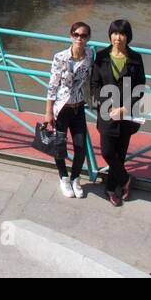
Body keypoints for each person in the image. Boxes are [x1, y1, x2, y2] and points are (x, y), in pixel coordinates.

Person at [91, 19, 147, 207]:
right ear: (110, 35)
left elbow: (140, 87)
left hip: (127, 114)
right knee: (107, 152)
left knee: (120, 154)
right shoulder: (101, 56)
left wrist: (125, 108)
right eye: (115, 33)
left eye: (122, 34)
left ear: (127, 37)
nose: (118, 38)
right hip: (107, 113)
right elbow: (94, 84)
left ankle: (111, 189)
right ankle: (126, 180)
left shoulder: (135, 58)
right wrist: (105, 104)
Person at [44, 21, 95, 198]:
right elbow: (53, 85)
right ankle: (63, 177)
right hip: (62, 109)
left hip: (78, 107)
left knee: (80, 147)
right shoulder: (60, 57)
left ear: (88, 38)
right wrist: (48, 112)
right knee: (59, 145)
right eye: (76, 35)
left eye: (83, 35)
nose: (79, 38)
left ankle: (75, 178)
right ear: (71, 36)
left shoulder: (90, 54)